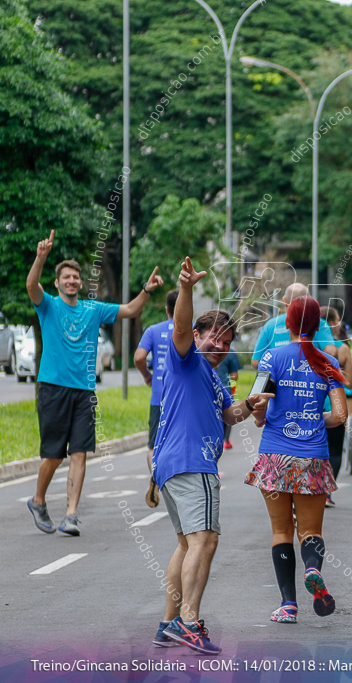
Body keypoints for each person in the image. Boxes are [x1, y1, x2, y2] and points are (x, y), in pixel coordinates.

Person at [151, 257, 271, 654]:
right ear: (198, 336)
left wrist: (250, 403)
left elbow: (227, 415)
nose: (219, 345)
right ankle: (189, 622)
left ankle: (169, 621)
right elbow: (181, 326)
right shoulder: (186, 357)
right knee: (206, 540)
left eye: (226, 340)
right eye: (212, 337)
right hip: (191, 462)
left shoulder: (212, 376)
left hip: (173, 464)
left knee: (188, 544)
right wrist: (185, 287)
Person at [26, 229, 163, 536]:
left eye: (76, 277)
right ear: (58, 282)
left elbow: (130, 310)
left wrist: (146, 289)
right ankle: (38, 500)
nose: (72, 281)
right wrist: (41, 257)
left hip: (85, 392)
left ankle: (71, 515)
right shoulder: (47, 305)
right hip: (53, 388)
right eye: (67, 277)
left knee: (80, 452)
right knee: (53, 454)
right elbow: (31, 285)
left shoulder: (92, 309)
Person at [245, 296, 347, 624]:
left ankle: (288, 606)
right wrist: (316, 420)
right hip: (313, 458)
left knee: (280, 531)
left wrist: (262, 417)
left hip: (275, 455)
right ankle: (313, 568)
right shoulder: (328, 363)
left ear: (286, 323)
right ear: (318, 326)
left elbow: (257, 404)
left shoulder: (271, 357)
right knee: (311, 530)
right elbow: (341, 416)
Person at [135, 289, 178, 508]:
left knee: (154, 444)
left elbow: (139, 356)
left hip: (159, 395)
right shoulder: (191, 330)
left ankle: (156, 476)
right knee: (179, 440)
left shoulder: (154, 330)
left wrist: (147, 375)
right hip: (182, 398)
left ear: (166, 309)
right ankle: (175, 482)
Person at [251, 283, 336, 368]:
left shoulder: (270, 325)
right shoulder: (319, 322)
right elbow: (331, 353)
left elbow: (256, 361)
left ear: (285, 301)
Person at [323, 305, 352, 503]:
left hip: (310, 406)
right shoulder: (343, 349)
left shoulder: (310, 345)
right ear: (335, 323)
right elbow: (350, 383)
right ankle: (326, 491)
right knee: (334, 450)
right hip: (334, 405)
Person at [215, 350, 241, 448]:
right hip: (225, 389)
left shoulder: (206, 347)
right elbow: (235, 376)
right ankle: (225, 441)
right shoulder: (231, 353)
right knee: (227, 415)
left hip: (208, 387)